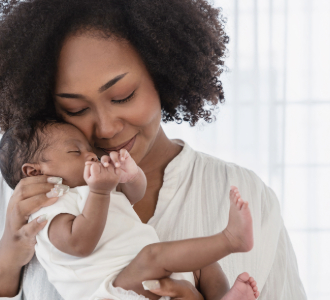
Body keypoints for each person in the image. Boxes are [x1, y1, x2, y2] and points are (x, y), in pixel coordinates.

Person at [0, 0, 307, 299]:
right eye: (76, 109)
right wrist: (8, 260)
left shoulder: (245, 193)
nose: (106, 129)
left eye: (122, 96)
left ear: (162, 72)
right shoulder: (32, 200)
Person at [0, 120, 259, 300]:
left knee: (205, 264)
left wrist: (131, 176)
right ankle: (231, 239)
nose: (91, 155)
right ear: (35, 172)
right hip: (112, 289)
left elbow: (133, 196)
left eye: (88, 149)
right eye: (74, 151)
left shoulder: (92, 188)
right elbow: (80, 244)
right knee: (153, 255)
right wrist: (100, 191)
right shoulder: (47, 209)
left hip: (144, 275)